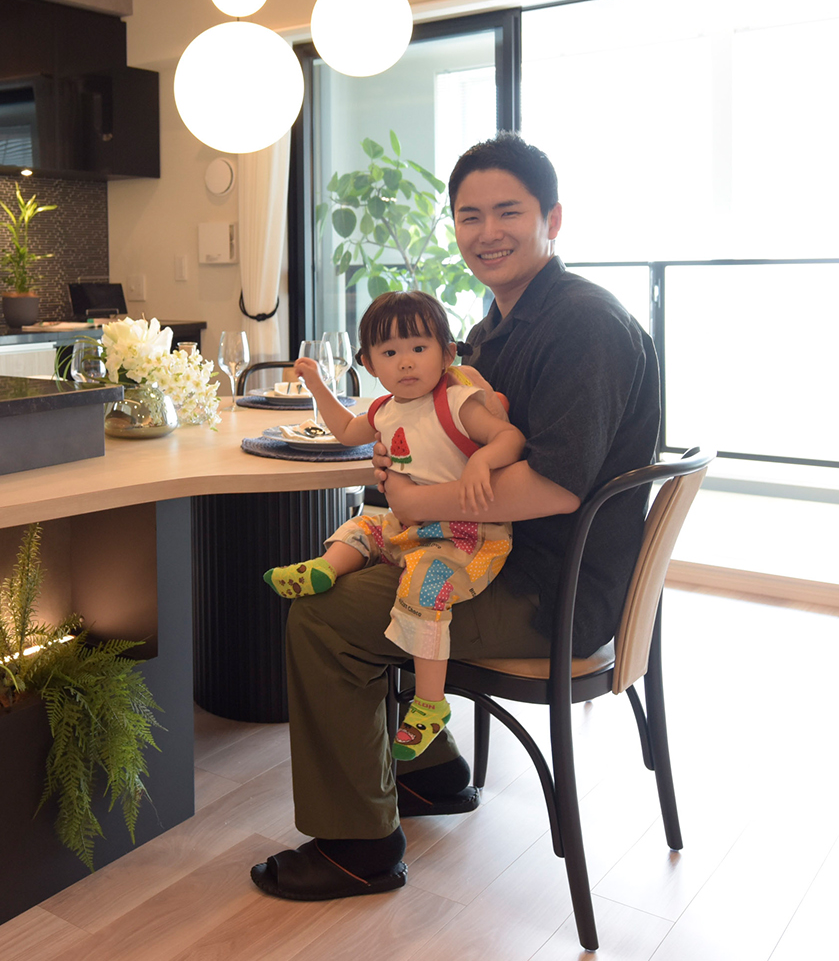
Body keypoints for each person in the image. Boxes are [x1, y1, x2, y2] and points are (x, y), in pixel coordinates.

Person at [250, 133, 661, 902]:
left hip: (549, 587)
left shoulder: (584, 326)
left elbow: (555, 488)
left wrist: (417, 501)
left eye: (509, 211)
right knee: (374, 555)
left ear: (553, 219)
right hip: (501, 553)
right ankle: (431, 773)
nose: (488, 231)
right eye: (470, 215)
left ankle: (358, 849)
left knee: (325, 613)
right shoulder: (498, 326)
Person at [264, 290, 527, 764]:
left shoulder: (457, 401)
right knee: (361, 525)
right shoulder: (385, 410)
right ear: (368, 364)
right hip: (412, 528)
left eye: (419, 348)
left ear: (447, 354)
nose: (406, 362)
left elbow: (510, 437)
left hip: (469, 538)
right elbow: (347, 432)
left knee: (424, 587)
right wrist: (318, 385)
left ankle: (430, 704)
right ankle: (325, 569)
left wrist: (482, 461)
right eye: (389, 352)